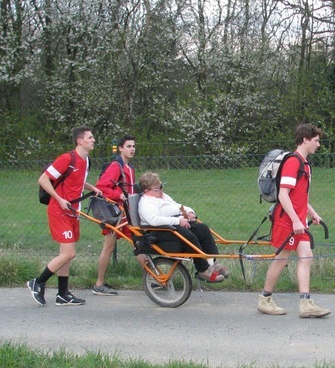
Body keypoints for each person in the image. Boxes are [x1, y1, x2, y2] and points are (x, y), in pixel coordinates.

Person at [258, 123, 331, 318]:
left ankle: (305, 303)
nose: (318, 144)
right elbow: (283, 195)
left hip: (299, 222)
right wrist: (296, 221)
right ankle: (264, 299)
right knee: (281, 260)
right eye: (316, 141)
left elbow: (300, 196)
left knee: (306, 257)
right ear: (305, 140)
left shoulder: (305, 164)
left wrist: (312, 213)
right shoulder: (293, 162)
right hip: (287, 222)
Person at [28, 126, 102, 306]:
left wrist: (92, 188)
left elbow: (76, 180)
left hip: (73, 211)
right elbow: (43, 179)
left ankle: (62, 294)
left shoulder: (85, 161)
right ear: (80, 140)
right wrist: (59, 199)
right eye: (90, 137)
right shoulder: (66, 159)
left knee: (66, 254)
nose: (93, 140)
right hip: (59, 210)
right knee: (69, 253)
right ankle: (38, 282)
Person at [137, 172, 228, 283]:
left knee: (203, 229)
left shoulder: (163, 197)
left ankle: (213, 263)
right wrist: (178, 221)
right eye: (157, 188)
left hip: (174, 226)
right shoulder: (146, 203)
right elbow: (154, 220)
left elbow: (176, 205)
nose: (161, 189)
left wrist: (189, 211)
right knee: (189, 236)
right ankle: (203, 269)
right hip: (160, 231)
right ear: (147, 191)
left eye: (161, 185)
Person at [92, 135, 138, 296]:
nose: (132, 149)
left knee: (138, 242)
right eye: (128, 146)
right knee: (109, 247)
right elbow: (101, 188)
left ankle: (153, 279)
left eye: (133, 146)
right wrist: (119, 196)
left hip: (127, 214)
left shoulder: (130, 168)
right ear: (120, 148)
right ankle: (99, 284)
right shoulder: (116, 166)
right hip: (115, 215)